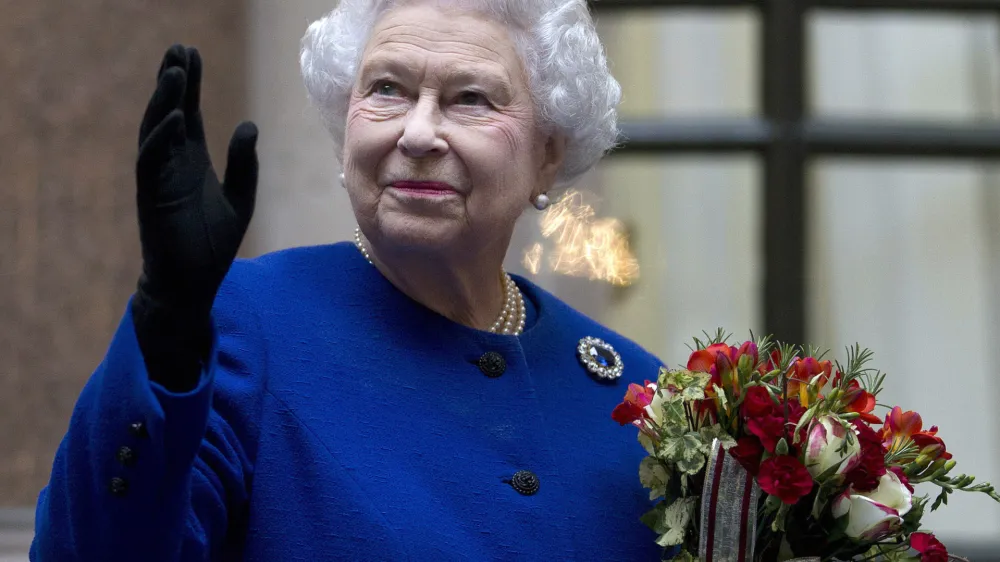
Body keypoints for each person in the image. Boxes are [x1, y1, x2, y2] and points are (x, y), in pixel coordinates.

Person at [29, 1, 667, 560]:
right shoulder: (240, 327)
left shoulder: (637, 397)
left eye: (469, 98)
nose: (417, 133)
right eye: (387, 89)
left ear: (548, 152)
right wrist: (165, 321)